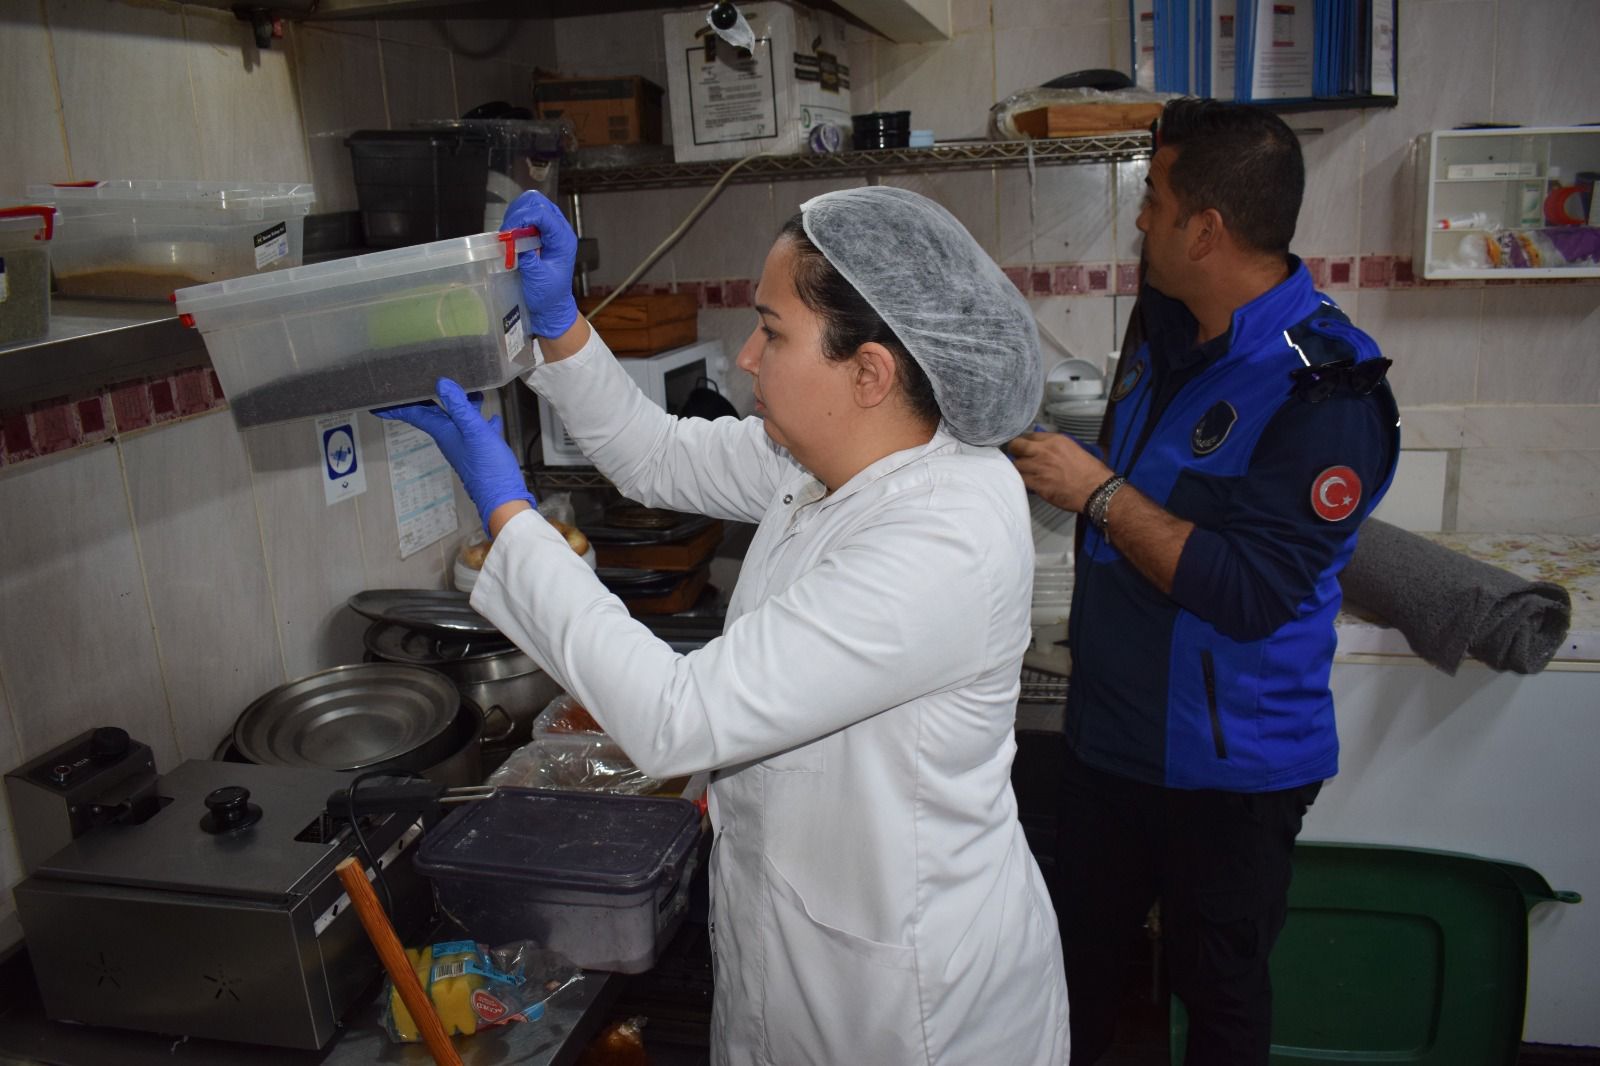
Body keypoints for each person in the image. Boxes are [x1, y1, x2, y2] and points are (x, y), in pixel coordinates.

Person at [378, 185, 1070, 1065]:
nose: (746, 356)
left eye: (772, 333)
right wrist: (559, 327)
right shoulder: (825, 455)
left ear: (869, 373)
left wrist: (511, 518)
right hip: (795, 945)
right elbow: (656, 454)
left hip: (912, 1005)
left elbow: (678, 717)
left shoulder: (945, 536)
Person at [1006, 97, 1400, 1066]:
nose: (1139, 219)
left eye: (1153, 199)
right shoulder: (1164, 327)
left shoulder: (1326, 390)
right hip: (1108, 743)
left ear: (1206, 228)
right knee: (1073, 972)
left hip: (1228, 775)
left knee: (1217, 996)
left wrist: (1096, 492)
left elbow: (1249, 591)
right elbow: (1147, 477)